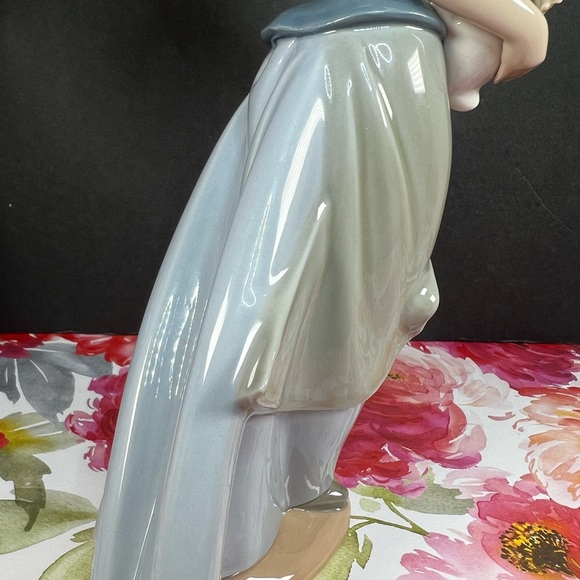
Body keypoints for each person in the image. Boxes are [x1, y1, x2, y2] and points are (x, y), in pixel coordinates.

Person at [92, 1, 551, 578]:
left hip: (387, 74)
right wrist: (528, 30)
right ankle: (229, 532)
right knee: (276, 323)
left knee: (356, 316)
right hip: (355, 71)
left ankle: (286, 493)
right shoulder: (358, 55)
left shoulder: (398, 54)